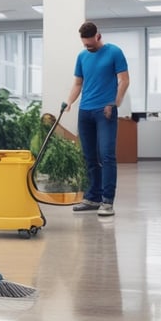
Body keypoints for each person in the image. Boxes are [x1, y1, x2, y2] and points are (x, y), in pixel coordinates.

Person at [66, 21, 129, 217]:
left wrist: (114, 102)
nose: (88, 48)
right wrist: (69, 101)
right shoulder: (82, 56)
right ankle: (92, 197)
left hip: (105, 111)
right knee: (89, 156)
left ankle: (107, 201)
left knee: (107, 155)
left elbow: (124, 80)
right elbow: (78, 83)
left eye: (90, 44)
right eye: (85, 45)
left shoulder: (114, 52)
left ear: (98, 36)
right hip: (85, 112)